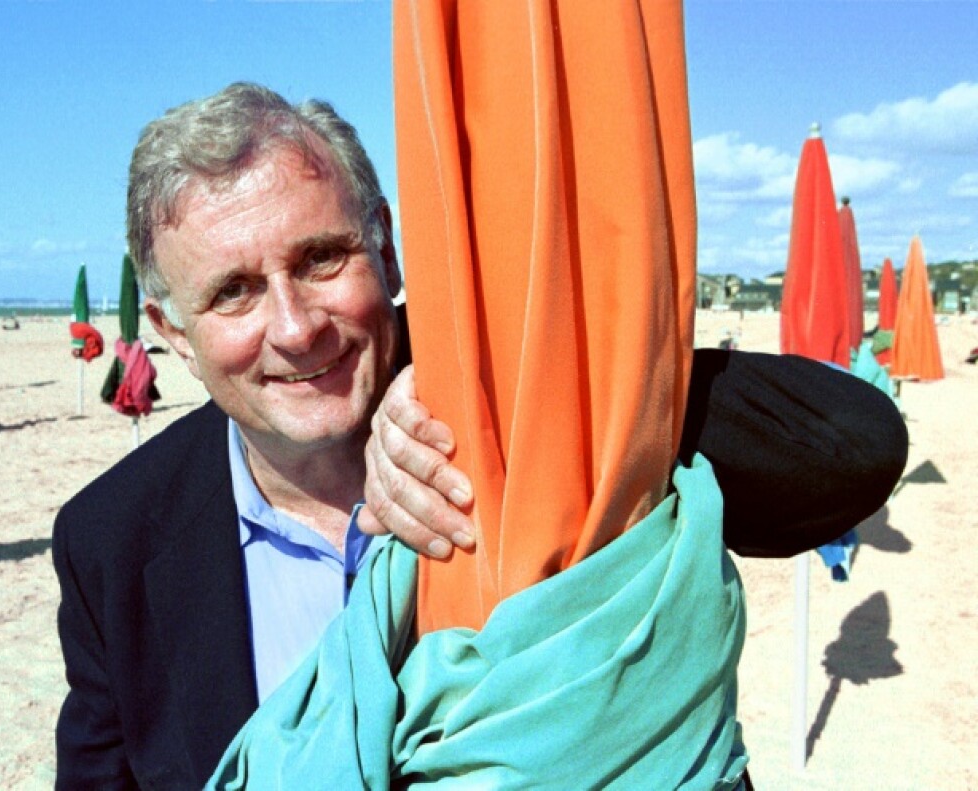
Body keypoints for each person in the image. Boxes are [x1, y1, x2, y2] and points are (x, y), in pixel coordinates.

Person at [52, 82, 906, 788]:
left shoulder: (513, 395)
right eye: (234, 291)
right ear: (169, 329)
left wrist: (459, 378)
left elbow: (850, 449)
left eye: (321, 259)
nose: (296, 326)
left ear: (385, 249)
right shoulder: (110, 540)